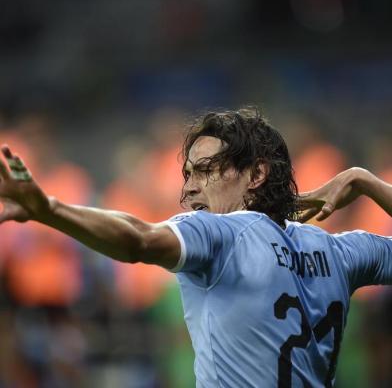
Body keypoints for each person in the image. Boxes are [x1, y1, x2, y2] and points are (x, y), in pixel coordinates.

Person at [0, 107, 390, 387]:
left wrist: (47, 209)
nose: (187, 190)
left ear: (256, 174)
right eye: (187, 174)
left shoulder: (222, 234)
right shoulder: (341, 252)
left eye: (204, 171)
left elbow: (137, 238)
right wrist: (366, 182)